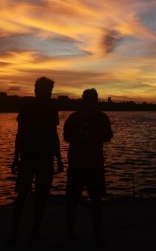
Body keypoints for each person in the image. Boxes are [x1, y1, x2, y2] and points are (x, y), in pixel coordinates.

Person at [10, 77, 64, 244]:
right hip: (43, 158)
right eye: (49, 91)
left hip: (28, 157)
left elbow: (19, 134)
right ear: (46, 91)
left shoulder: (26, 107)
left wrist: (15, 158)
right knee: (40, 197)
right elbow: (54, 136)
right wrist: (59, 159)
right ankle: (34, 232)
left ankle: (15, 232)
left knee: (22, 196)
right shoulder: (50, 109)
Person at [64, 88, 113, 244]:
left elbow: (66, 137)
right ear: (95, 100)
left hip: (75, 163)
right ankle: (96, 234)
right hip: (94, 163)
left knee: (72, 200)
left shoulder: (73, 117)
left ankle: (71, 233)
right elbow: (107, 137)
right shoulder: (101, 117)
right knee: (96, 199)